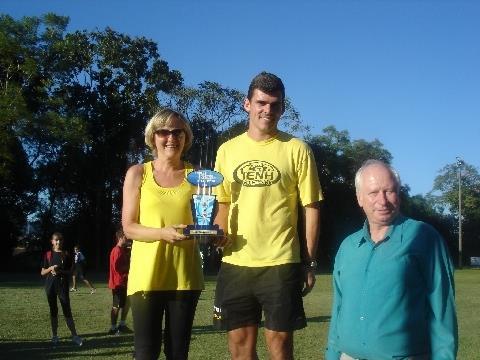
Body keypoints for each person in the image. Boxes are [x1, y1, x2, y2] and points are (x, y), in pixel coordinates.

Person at [213, 71, 323, 359]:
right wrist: (217, 230)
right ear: (247, 103)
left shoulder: (297, 149)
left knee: (280, 346)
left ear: (283, 107)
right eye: (261, 102)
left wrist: (309, 261)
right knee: (240, 347)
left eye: (275, 104)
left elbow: (310, 207)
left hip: (281, 261)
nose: (268, 110)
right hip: (236, 260)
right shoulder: (227, 150)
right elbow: (223, 202)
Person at [325, 159, 458, 360]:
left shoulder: (424, 237)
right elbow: (339, 309)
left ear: (399, 193)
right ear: (359, 198)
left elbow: (442, 311)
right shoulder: (348, 247)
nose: (382, 200)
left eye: (389, 191)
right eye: (373, 192)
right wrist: (333, 355)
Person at [122, 108, 204, 360]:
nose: (171, 138)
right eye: (163, 132)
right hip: (147, 276)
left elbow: (205, 223)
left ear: (186, 136)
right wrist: (162, 233)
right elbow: (129, 227)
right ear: (152, 137)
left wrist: (212, 233)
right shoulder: (138, 173)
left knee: (178, 353)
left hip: (184, 276)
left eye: (177, 131)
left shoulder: (198, 176)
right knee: (145, 353)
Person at [41, 232, 83, 346]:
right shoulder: (48, 254)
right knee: (53, 311)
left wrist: (59, 271)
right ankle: (55, 336)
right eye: (56, 240)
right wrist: (50, 268)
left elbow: (71, 271)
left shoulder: (66, 254)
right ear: (52, 241)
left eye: (60, 240)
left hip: (62, 286)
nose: (58, 242)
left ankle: (75, 336)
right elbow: (42, 272)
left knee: (67, 310)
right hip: (50, 287)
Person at [108, 228, 131, 335]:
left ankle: (121, 325)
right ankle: (113, 329)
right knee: (116, 306)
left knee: (125, 304)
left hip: (123, 282)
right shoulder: (116, 250)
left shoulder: (122, 249)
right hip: (118, 283)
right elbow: (117, 267)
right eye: (126, 237)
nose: (128, 239)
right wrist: (130, 266)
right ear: (121, 237)